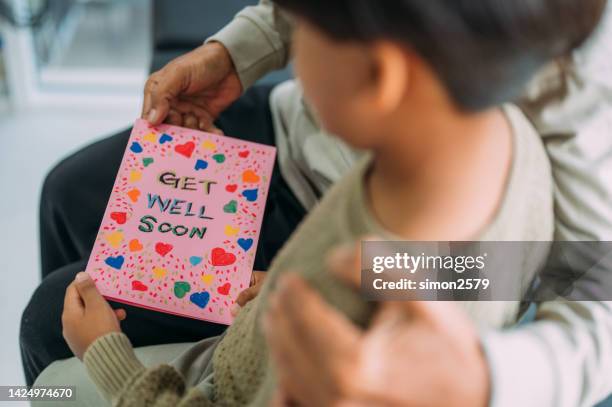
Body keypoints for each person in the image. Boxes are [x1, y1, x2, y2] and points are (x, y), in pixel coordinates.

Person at [54, 0, 604, 406]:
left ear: (384, 75)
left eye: (306, 29)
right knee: (65, 200)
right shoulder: (463, 141)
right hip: (278, 305)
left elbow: (589, 289)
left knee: (47, 359)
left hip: (206, 382)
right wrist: (300, 274)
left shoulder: (353, 339)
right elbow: (479, 269)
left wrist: (109, 359)